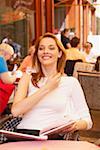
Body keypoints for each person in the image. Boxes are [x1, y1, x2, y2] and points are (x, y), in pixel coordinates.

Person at [11, 32, 92, 140]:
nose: (46, 52)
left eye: (51, 48)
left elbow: (88, 121)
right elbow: (15, 111)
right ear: (37, 53)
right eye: (41, 48)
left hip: (53, 137)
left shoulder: (70, 82)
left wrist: (75, 125)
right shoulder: (27, 78)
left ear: (59, 53)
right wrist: (47, 88)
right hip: (25, 134)